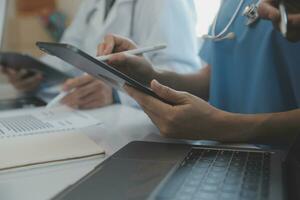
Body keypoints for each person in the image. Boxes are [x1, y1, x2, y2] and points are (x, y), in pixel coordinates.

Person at [96, 0, 300, 144]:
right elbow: (214, 79)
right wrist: (150, 75)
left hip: (285, 168)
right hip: (223, 156)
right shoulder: (231, 4)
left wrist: (222, 126)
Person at [1, 0, 200, 109]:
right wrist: (37, 73)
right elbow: (71, 49)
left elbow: (183, 73)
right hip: (92, 115)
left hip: (141, 129)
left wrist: (117, 92)